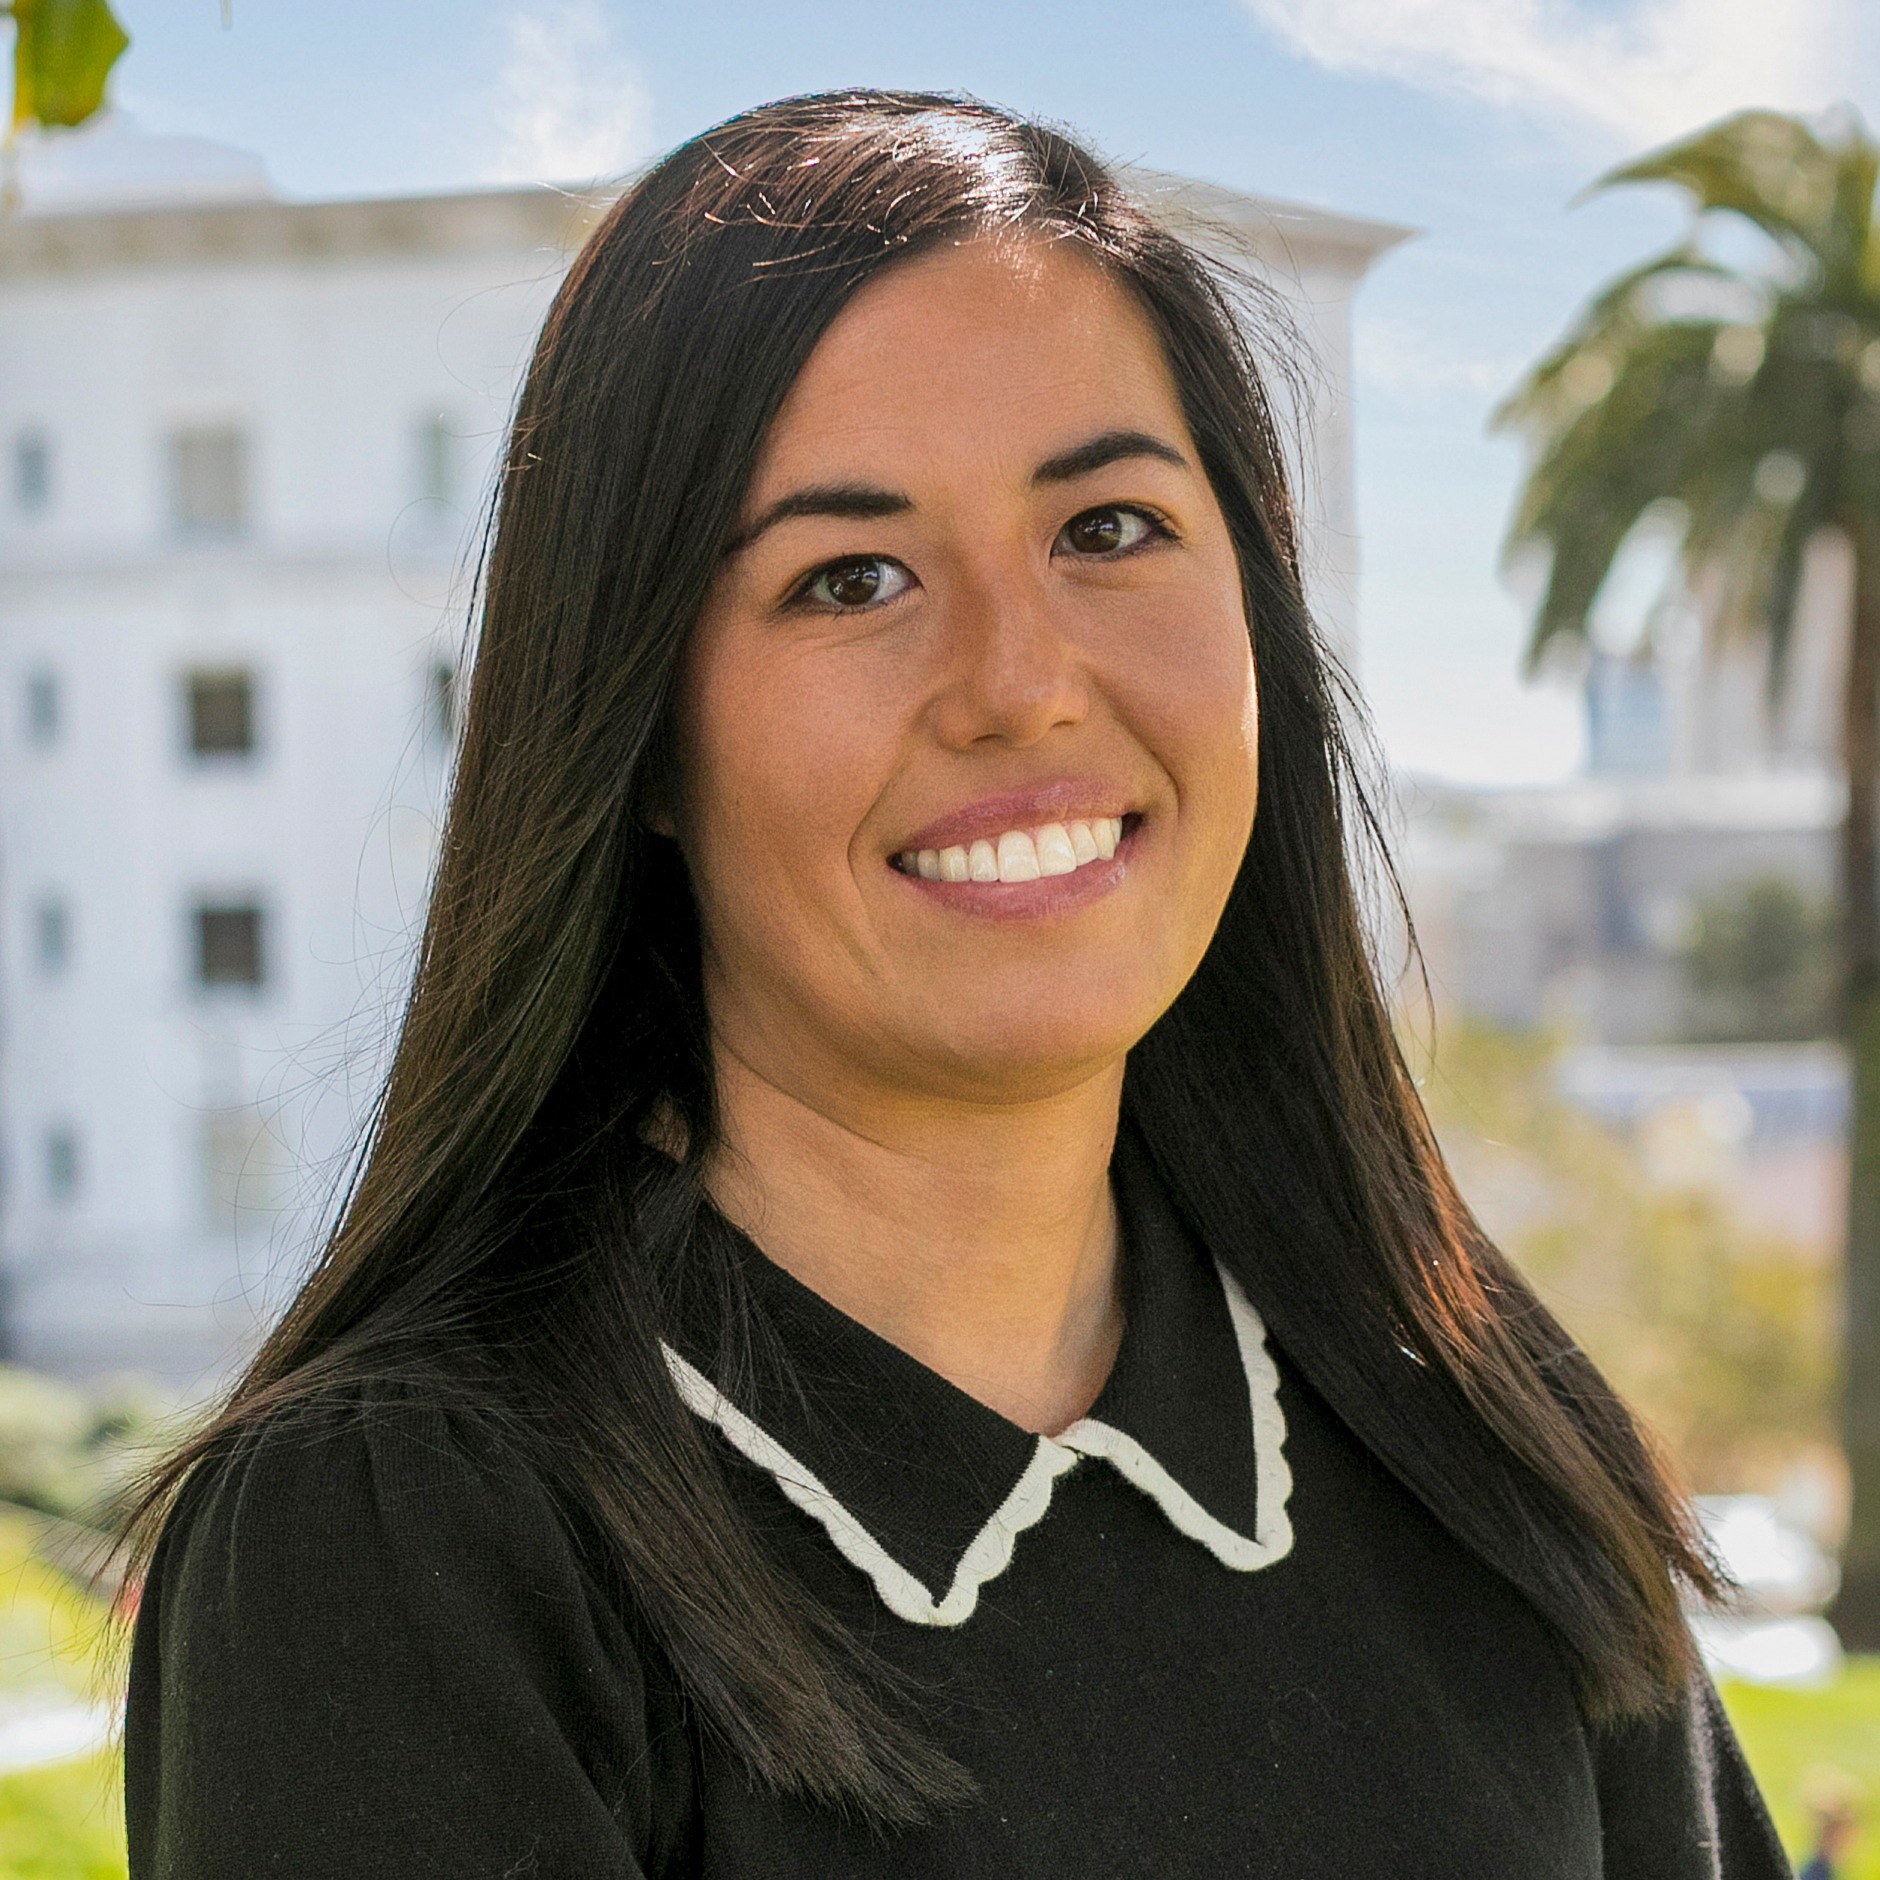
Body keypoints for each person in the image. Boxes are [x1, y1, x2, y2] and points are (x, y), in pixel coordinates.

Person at [121, 91, 1791, 1877]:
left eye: (1110, 530)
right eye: (852, 576)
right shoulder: (396, 1543)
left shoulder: (1461, 1421)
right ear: (646, 740)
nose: (1022, 682)